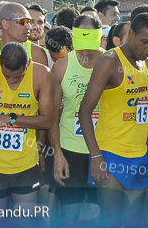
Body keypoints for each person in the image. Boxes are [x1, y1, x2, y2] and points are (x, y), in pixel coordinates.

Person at [77, 12, 148, 221]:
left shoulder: (145, 63)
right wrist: (96, 156)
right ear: (130, 34)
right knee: (111, 219)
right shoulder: (110, 61)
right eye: (145, 42)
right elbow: (85, 110)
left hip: (139, 154)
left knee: (134, 221)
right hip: (110, 154)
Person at [0, 42, 53, 210]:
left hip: (25, 164)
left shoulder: (42, 74)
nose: (11, 82)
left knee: (25, 220)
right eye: (6, 76)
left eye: (18, 77)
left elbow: (47, 121)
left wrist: (11, 118)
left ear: (29, 64)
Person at [49, 15, 104, 219]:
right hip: (70, 149)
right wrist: (57, 153)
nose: (86, 51)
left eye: (91, 44)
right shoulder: (62, 66)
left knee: (96, 214)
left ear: (100, 38)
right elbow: (52, 115)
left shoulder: (112, 63)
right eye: (82, 44)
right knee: (69, 213)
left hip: (103, 148)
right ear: (73, 38)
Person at [0, 2, 50, 68]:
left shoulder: (37, 53)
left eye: (29, 22)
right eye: (23, 21)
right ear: (5, 24)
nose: (29, 27)